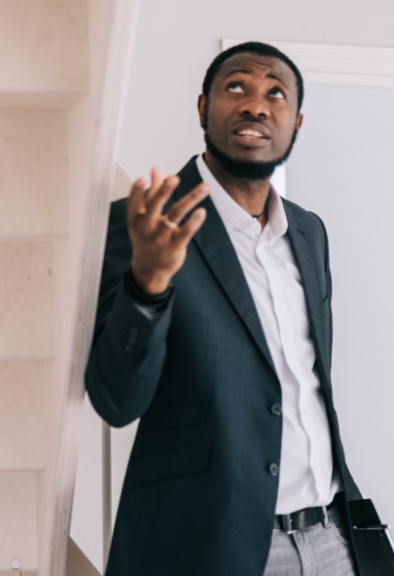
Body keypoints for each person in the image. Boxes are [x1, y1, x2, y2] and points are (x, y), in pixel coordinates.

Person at [85, 42, 361, 576]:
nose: (256, 105)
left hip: (332, 535)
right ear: (202, 107)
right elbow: (116, 401)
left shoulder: (309, 231)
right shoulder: (142, 223)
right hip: (209, 544)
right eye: (237, 86)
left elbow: (306, 386)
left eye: (276, 94)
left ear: (296, 123)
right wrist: (148, 283)